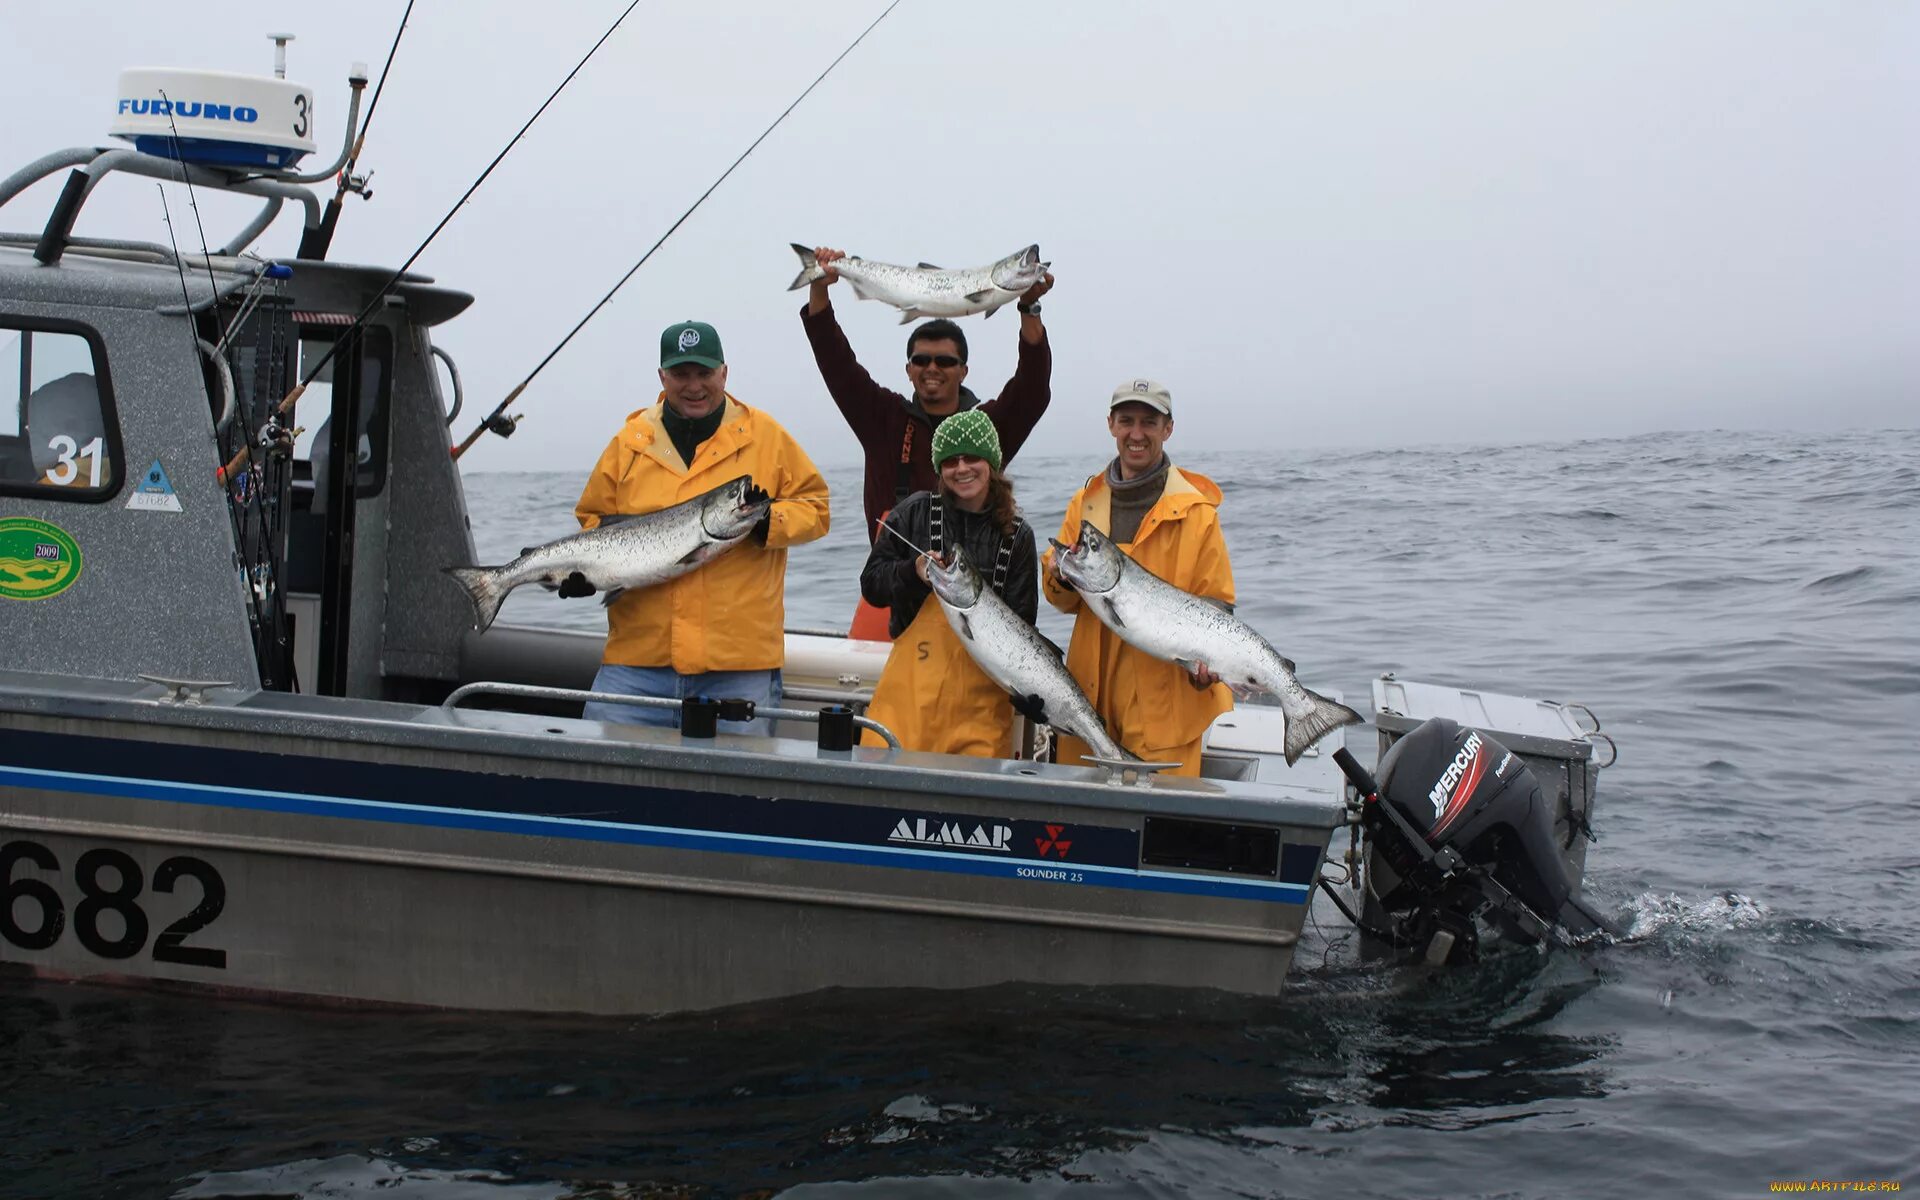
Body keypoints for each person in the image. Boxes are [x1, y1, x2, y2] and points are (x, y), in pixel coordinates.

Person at [572, 320, 830, 735]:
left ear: (724, 373)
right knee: (606, 777)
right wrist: (587, 572)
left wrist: (766, 521)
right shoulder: (629, 442)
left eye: (704, 373)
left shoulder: (767, 437)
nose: (694, 385)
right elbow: (593, 519)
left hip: (738, 666)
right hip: (636, 661)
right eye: (680, 374)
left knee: (738, 794)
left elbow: (817, 510)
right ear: (662, 376)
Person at [800, 247, 1053, 636]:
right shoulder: (882, 418)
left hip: (977, 598)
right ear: (908, 369)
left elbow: (1033, 390)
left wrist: (1029, 311)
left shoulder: (987, 428)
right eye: (921, 360)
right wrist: (820, 292)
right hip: (896, 587)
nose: (932, 368)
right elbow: (837, 366)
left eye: (945, 361)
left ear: (964, 370)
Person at [1041, 379, 1234, 776]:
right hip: (1088, 707)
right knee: (1082, 830)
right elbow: (1060, 600)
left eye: (1149, 422)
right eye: (1126, 420)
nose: (1136, 433)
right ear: (1111, 424)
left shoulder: (1197, 514)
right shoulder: (1086, 501)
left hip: (1164, 712)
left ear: (1168, 428)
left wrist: (1209, 669)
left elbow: (1217, 604)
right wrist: (1059, 573)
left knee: (1161, 834)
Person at [857, 408, 1038, 757]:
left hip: (980, 716)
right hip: (905, 708)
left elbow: (1023, 628)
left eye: (972, 458)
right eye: (950, 461)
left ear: (992, 463)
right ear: (940, 468)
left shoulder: (1017, 537)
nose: (962, 469)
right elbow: (871, 585)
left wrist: (1031, 693)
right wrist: (914, 571)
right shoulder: (914, 513)